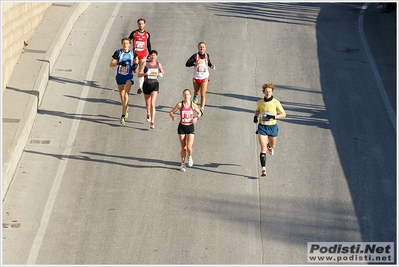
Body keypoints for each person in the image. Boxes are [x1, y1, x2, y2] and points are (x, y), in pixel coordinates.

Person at [253, 82, 286, 176]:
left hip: (272, 127)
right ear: (263, 92)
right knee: (262, 148)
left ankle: (270, 146)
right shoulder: (260, 102)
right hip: (262, 127)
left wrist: (274, 117)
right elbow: (257, 110)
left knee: (273, 145)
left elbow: (284, 114)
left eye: (270, 92)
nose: (268, 93)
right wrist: (255, 117)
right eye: (266, 91)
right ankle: (263, 169)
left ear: (272, 92)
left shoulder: (276, 102)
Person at [169, 89, 202, 172]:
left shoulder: (193, 105)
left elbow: (199, 113)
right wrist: (172, 116)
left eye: (187, 94)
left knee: (189, 147)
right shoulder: (180, 105)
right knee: (183, 148)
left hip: (190, 127)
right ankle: (183, 164)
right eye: (184, 94)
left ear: (190, 96)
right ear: (182, 95)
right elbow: (171, 112)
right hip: (182, 127)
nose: (186, 96)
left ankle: (190, 156)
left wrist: (196, 118)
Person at [109, 37, 138, 125]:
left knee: (126, 94)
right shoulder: (118, 53)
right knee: (122, 96)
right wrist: (120, 63)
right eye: (124, 43)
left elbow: (136, 60)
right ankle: (125, 108)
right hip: (120, 76)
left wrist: (135, 66)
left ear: (130, 44)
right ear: (122, 44)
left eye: (127, 43)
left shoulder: (133, 53)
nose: (125, 45)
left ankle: (123, 115)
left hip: (128, 76)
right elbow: (111, 64)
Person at [185, 42, 215, 116]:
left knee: (203, 93)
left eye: (203, 47)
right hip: (196, 77)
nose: (202, 48)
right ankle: (195, 96)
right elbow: (187, 64)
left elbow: (209, 62)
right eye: (200, 47)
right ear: (198, 48)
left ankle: (202, 109)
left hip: (204, 78)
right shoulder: (195, 56)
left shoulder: (207, 55)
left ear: (205, 48)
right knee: (196, 92)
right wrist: (195, 63)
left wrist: (211, 66)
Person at [138, 50, 164, 129]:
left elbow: (162, 72)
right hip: (146, 84)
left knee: (153, 103)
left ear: (157, 56)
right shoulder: (145, 63)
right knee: (148, 103)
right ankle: (148, 112)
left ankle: (152, 122)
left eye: (154, 55)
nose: (153, 57)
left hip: (155, 84)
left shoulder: (158, 64)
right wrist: (146, 73)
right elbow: (139, 74)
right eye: (152, 55)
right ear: (149, 56)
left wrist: (160, 74)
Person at [128, 18, 151, 95]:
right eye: (139, 24)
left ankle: (140, 87)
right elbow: (128, 41)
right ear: (137, 24)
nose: (141, 25)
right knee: (135, 70)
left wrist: (150, 54)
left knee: (140, 71)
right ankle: (142, 78)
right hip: (135, 55)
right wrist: (127, 50)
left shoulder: (147, 34)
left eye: (142, 23)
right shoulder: (134, 33)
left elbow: (148, 44)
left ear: (144, 24)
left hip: (143, 55)